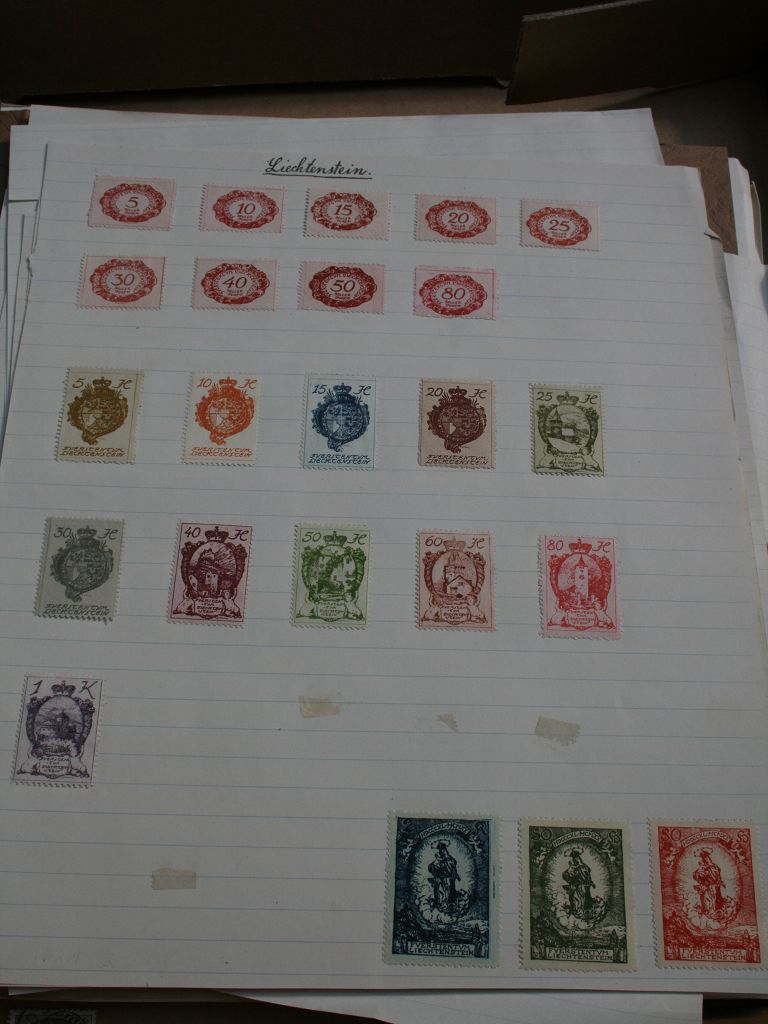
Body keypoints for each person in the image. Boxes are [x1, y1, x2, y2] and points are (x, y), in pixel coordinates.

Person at [562, 848, 596, 917]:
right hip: (576, 887)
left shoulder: (584, 867)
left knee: (585, 899)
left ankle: (586, 913)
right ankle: (577, 912)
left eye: (577, 857)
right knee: (576, 900)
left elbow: (588, 875)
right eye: (574, 858)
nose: (576, 859)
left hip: (584, 886)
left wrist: (591, 882)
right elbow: (565, 875)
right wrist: (571, 872)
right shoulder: (572, 868)